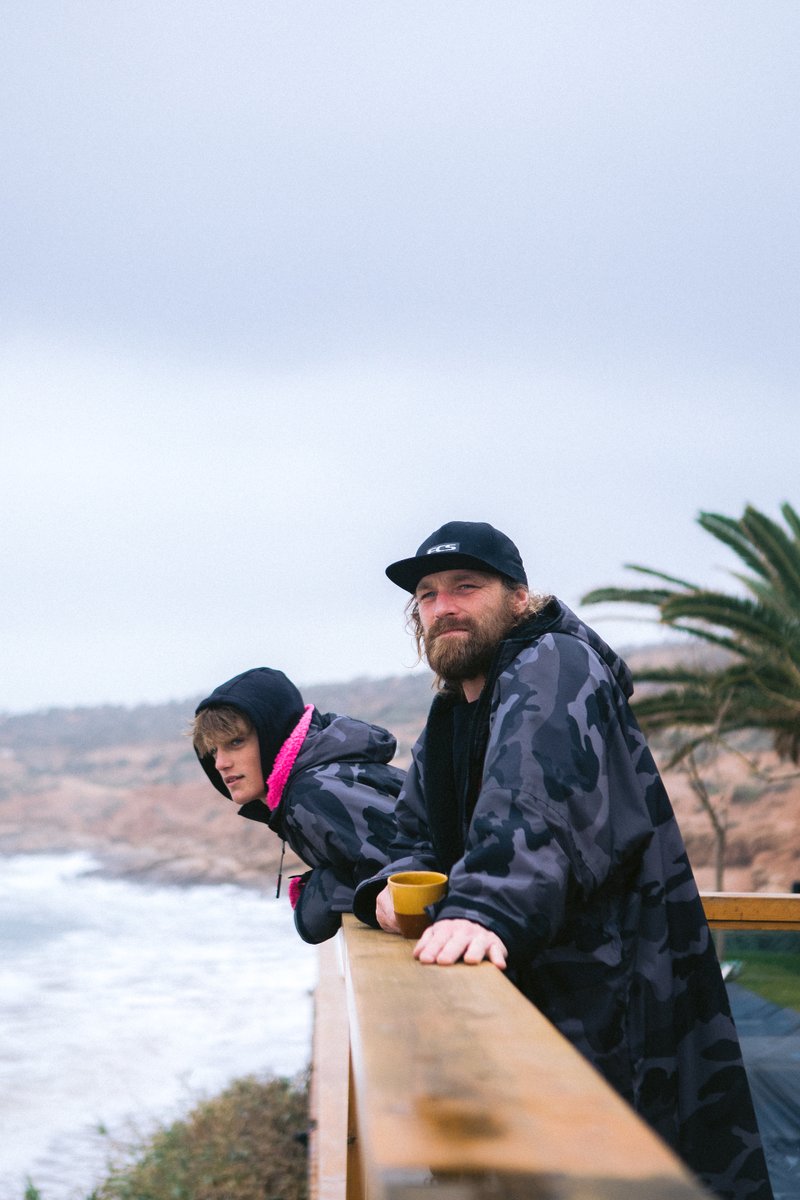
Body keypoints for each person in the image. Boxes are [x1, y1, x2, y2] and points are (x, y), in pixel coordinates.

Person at [353, 521, 773, 1200]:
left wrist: (484, 905)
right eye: (427, 596)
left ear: (519, 597)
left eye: (467, 586)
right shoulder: (452, 715)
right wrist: (383, 888)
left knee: (626, 1167)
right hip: (543, 991)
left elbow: (535, 797)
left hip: (616, 989)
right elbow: (410, 833)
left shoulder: (553, 664)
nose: (444, 606)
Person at [193, 667, 404, 944]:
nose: (220, 763)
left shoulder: (311, 794)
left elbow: (407, 878)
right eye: (213, 750)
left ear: (273, 734)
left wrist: (320, 896)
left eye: (235, 742)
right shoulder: (316, 780)